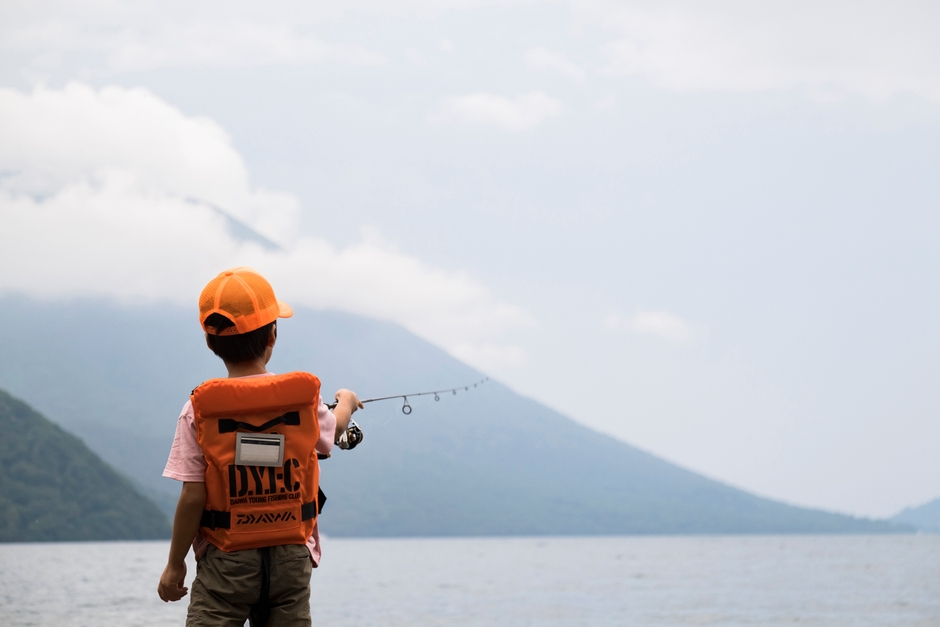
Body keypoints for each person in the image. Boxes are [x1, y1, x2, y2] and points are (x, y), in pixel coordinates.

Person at [156, 266, 362, 627]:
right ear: (273, 336)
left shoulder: (199, 410)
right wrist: (346, 400)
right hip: (290, 557)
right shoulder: (304, 402)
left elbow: (193, 495)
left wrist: (175, 565)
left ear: (210, 342)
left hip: (226, 560)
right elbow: (334, 429)